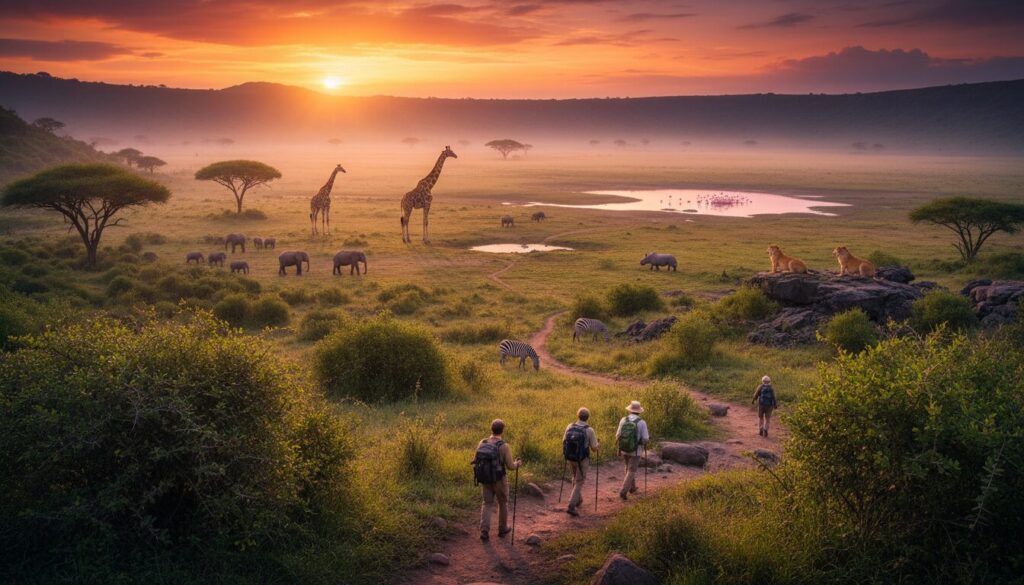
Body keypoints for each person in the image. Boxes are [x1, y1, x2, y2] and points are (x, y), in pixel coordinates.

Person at [474, 419, 522, 542]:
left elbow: (476, 459)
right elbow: (511, 466)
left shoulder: (482, 442)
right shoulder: (504, 446)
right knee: (503, 503)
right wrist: (518, 464)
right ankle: (502, 529)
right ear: (502, 430)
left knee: (487, 503)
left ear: (492, 429)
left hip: (485, 478)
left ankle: (484, 531)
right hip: (499, 480)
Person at [563, 407, 600, 516]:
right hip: (582, 459)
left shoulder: (570, 426)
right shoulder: (589, 430)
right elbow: (593, 448)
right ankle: (571, 505)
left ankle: (578, 500)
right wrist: (598, 445)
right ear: (587, 417)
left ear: (577, 415)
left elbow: (564, 440)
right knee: (579, 481)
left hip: (570, 457)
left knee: (575, 478)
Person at [615, 400, 650, 501]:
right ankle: (623, 490)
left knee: (627, 466)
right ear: (639, 411)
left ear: (630, 410)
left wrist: (619, 448)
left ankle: (632, 488)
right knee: (632, 470)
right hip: (636, 450)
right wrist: (643, 443)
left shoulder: (623, 420)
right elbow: (645, 438)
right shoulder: (642, 422)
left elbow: (617, 435)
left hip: (624, 448)